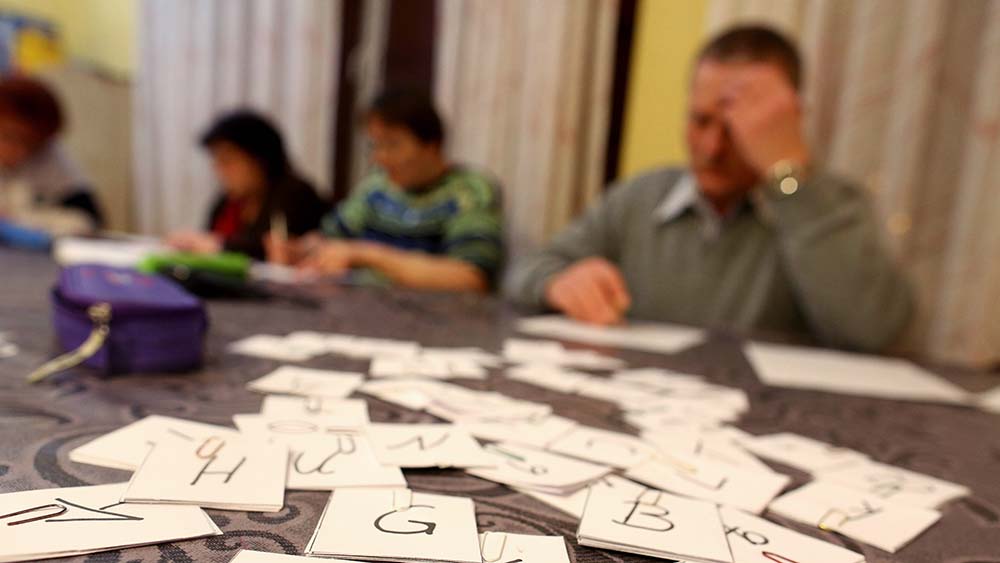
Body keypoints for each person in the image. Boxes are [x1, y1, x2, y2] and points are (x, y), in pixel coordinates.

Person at [505, 25, 913, 353]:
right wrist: (557, 283)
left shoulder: (829, 204)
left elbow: (873, 330)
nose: (712, 148)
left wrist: (787, 174)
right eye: (700, 121)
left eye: (736, 131)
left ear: (783, 125)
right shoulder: (640, 197)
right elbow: (529, 268)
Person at [267, 88, 503, 293]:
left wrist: (368, 255)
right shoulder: (378, 187)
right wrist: (298, 251)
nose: (380, 158)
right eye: (375, 145)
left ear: (432, 145)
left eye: (392, 144)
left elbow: (470, 279)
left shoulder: (468, 191)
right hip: (362, 310)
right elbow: (331, 239)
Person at [167, 110, 326, 260]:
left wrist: (219, 245)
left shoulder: (295, 195)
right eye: (216, 161)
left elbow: (278, 248)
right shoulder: (226, 203)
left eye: (228, 160)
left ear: (260, 159)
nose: (220, 170)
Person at [0, 75, 102, 235]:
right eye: (8, 136)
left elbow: (88, 220)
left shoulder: (51, 158)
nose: (18, 150)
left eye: (30, 142)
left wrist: (21, 220)